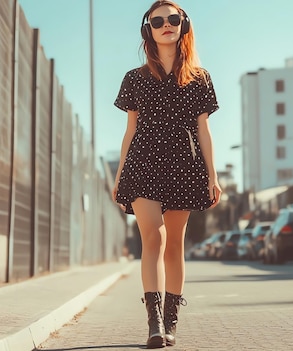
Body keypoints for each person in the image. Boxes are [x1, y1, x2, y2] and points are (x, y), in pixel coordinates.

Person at [112, 0, 221, 348]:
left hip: (184, 165)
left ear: (183, 25)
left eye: (173, 19)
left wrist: (212, 175)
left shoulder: (200, 79)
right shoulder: (135, 79)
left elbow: (204, 131)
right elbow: (130, 131)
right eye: (157, 21)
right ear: (148, 30)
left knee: (175, 244)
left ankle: (171, 319)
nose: (166, 25)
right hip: (143, 162)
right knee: (153, 238)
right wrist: (118, 176)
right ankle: (154, 322)